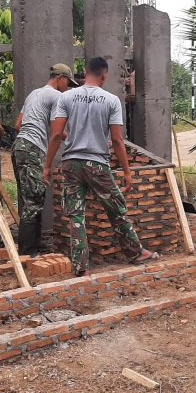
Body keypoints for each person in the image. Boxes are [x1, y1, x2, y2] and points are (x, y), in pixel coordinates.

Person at [43, 57, 158, 276]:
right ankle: (135, 252)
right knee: (117, 209)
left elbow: (57, 134)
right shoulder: (111, 100)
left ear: (85, 73)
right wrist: (126, 172)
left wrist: (47, 166)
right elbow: (116, 140)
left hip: (70, 164)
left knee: (76, 216)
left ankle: (80, 267)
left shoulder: (66, 97)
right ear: (104, 75)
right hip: (97, 164)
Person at [13, 64, 79, 256]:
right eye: (67, 82)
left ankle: (36, 243)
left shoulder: (34, 94)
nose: (67, 87)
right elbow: (56, 131)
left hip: (19, 147)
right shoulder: (56, 96)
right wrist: (77, 141)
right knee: (33, 200)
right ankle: (27, 251)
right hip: (33, 149)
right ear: (60, 78)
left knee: (33, 196)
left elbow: (18, 124)